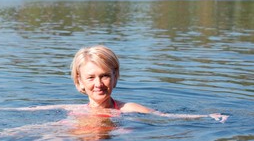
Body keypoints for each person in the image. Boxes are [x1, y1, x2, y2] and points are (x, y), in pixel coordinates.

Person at [70, 45, 229, 123]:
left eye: (104, 76)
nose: (98, 84)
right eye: (91, 77)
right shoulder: (74, 110)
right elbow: (47, 108)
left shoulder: (128, 109)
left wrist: (207, 116)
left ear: (115, 76)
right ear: (80, 81)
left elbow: (165, 117)